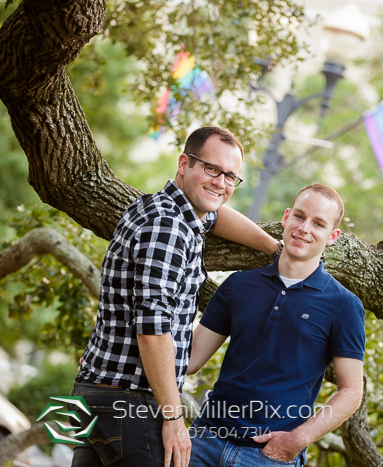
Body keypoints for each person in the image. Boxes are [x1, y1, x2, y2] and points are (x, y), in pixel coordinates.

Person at [71, 126, 283, 467]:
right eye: (212, 169)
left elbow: (216, 214)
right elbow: (152, 328)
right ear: (184, 164)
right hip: (132, 402)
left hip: (98, 393)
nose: (220, 183)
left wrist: (274, 247)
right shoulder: (168, 228)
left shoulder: (164, 209)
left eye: (231, 176)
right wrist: (172, 417)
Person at [186, 184, 365, 467]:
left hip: (269, 457)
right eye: (299, 216)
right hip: (205, 442)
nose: (304, 228)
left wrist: (297, 440)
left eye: (318, 223)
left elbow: (351, 391)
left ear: (333, 237)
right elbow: (191, 357)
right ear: (286, 217)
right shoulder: (239, 284)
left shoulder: (344, 305)